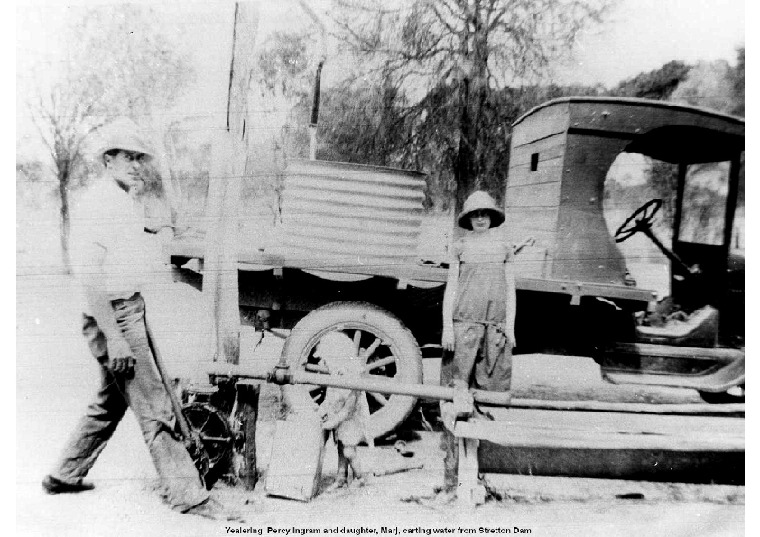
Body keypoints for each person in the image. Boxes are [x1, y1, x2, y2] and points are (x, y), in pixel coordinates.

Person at [41, 119, 240, 521]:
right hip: (112, 318)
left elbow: (132, 236)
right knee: (156, 407)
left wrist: (159, 226)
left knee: (110, 403)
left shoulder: (123, 200)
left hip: (131, 310)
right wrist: (115, 338)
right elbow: (92, 279)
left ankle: (64, 475)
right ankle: (189, 496)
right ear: (107, 160)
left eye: (138, 158)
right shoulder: (97, 205)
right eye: (127, 157)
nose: (135, 165)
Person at [437, 190, 517, 502]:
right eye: (475, 214)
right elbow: (452, 287)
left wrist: (509, 325)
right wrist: (447, 326)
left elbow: (510, 288)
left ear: (492, 217)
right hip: (463, 326)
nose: (480, 219)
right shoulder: (460, 247)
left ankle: (477, 476)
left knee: (484, 399)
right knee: (457, 396)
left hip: (493, 328)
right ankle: (452, 477)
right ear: (468, 219)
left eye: (485, 214)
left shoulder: (503, 247)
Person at [315, 332, 370, 490]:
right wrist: (322, 409)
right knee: (341, 448)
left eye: (327, 360)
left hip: (350, 421)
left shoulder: (352, 378)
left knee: (348, 451)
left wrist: (333, 422)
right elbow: (330, 398)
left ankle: (360, 477)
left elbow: (349, 409)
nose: (324, 363)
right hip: (341, 420)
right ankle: (341, 478)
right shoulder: (335, 375)